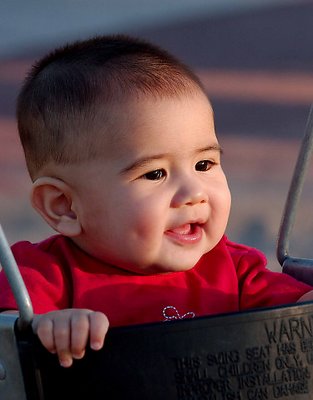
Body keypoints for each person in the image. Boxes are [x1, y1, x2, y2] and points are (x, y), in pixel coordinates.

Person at [0, 34, 312, 369]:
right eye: (155, 174)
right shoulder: (40, 277)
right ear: (63, 205)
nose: (194, 193)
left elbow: (298, 310)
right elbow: (9, 333)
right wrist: (47, 328)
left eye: (204, 165)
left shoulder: (235, 272)